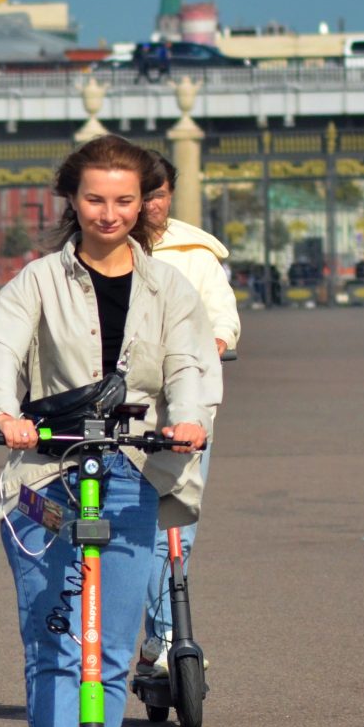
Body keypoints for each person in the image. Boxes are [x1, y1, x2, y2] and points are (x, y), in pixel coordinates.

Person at [0, 135, 218, 727]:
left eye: (124, 200)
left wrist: (190, 421)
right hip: (49, 474)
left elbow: (189, 364)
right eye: (95, 199)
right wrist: (2, 415)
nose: (109, 214)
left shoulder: (170, 287)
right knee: (54, 641)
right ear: (72, 202)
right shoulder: (37, 281)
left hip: (133, 470)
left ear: (145, 205)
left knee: (108, 652)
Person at [137, 153, 239, 670]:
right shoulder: (106, 249)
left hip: (187, 408)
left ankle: (162, 633)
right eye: (142, 195)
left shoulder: (196, 255)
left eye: (158, 195)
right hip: (122, 412)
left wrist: (212, 345)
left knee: (176, 529)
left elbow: (222, 316)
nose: (150, 207)